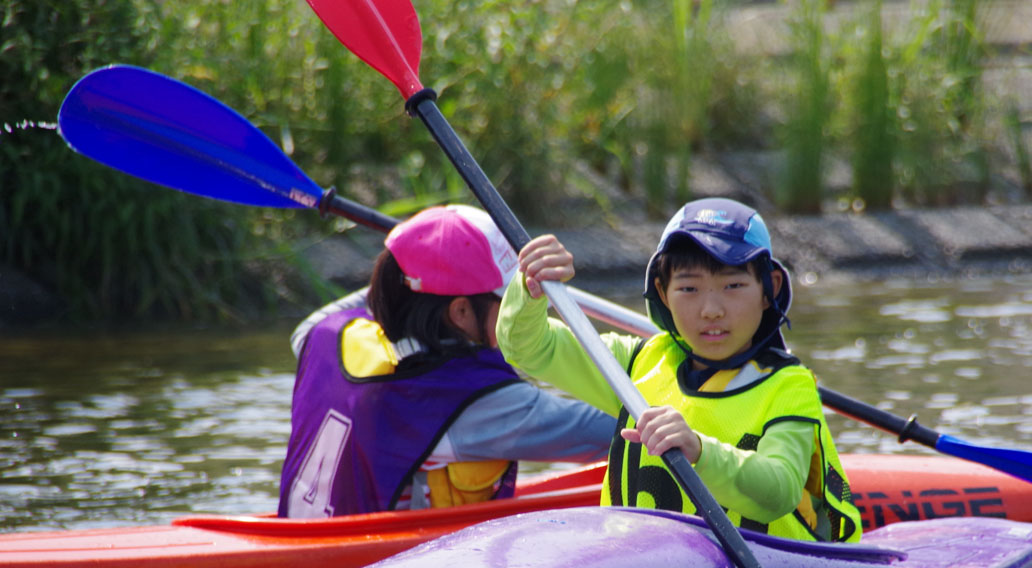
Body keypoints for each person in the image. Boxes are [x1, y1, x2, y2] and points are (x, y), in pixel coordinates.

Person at [496, 197, 862, 541]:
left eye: (733, 285)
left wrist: (699, 450)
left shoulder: (789, 386)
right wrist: (529, 286)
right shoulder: (634, 363)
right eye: (689, 289)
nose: (711, 310)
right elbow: (525, 347)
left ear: (769, 289)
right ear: (662, 290)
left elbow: (778, 491)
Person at [278, 204, 616, 518]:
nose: (517, 311)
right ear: (461, 311)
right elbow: (612, 431)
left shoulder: (323, 335)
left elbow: (367, 300)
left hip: (305, 538)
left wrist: (402, 266)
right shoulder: (476, 402)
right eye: (510, 300)